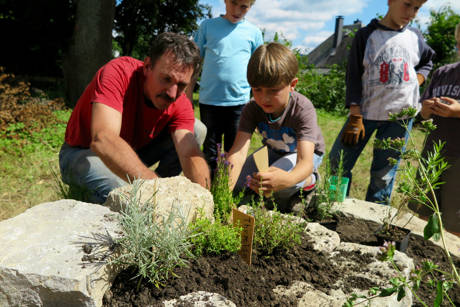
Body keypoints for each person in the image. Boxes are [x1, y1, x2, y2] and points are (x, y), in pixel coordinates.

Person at [59, 32, 211, 204]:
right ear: (147, 66)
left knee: (195, 130)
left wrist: (204, 202)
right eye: (166, 79)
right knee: (125, 193)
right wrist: (154, 188)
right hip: (84, 153)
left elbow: (190, 153)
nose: (172, 93)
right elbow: (103, 139)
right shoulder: (119, 73)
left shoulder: (179, 100)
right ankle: (152, 200)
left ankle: (162, 200)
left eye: (182, 85)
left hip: (135, 152)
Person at [329, 0, 435, 205]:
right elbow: (353, 75)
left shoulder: (415, 37)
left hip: (400, 118)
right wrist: (355, 114)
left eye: (417, 8)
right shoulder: (367, 35)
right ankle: (333, 207)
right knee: (338, 162)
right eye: (407, 4)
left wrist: (418, 79)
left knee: (383, 174)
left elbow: (427, 61)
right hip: (365, 114)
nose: (411, 13)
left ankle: (374, 221)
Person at [226, 42, 325, 211]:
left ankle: (311, 181)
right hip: (273, 151)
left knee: (281, 185)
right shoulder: (252, 109)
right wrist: (225, 194)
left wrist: (287, 179)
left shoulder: (302, 109)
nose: (264, 98)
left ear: (292, 85)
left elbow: (305, 162)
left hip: (305, 154)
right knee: (244, 181)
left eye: (273, 90)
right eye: (257, 89)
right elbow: (238, 153)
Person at [186, 0, 263, 175]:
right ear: (225, 1)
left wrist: (259, 103)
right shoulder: (207, 27)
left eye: (244, 6)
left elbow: (259, 70)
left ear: (251, 6)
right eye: (234, 3)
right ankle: (207, 187)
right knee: (210, 150)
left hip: (239, 103)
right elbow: (194, 64)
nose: (237, 10)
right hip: (209, 101)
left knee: (234, 150)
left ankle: (228, 189)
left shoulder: (254, 33)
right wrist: (188, 93)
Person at [409, 23, 460, 236]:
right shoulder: (443, 73)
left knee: (454, 222)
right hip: (433, 153)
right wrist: (426, 110)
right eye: (459, 44)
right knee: (424, 210)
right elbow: (421, 115)